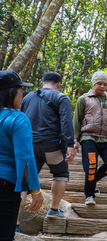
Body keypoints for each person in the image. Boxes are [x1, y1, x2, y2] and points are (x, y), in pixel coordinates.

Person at [0, 70, 44, 241]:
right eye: (21, 89)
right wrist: (35, 191)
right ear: (10, 92)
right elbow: (25, 158)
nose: (23, 93)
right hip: (4, 184)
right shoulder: (17, 119)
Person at [20, 71, 76, 220]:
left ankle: (16, 220)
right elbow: (66, 122)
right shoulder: (61, 97)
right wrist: (70, 144)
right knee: (60, 175)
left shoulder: (27, 97)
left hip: (29, 146)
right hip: (52, 147)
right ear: (59, 84)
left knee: (23, 181)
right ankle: (54, 209)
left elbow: (21, 119)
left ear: (42, 83)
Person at [73, 71, 107, 205]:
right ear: (93, 83)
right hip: (88, 138)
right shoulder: (84, 99)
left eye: (105, 84)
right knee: (91, 166)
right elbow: (76, 120)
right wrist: (75, 139)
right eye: (99, 83)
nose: (102, 86)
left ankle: (92, 182)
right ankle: (89, 195)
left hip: (106, 139)